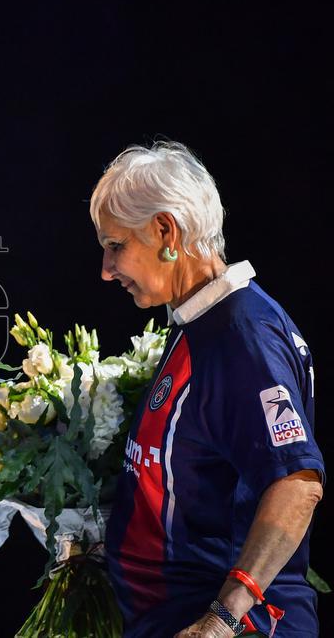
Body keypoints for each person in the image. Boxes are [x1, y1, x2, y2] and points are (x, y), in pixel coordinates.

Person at [90, 142, 325, 637]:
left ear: (165, 231)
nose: (107, 270)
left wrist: (220, 620)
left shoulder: (243, 335)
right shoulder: (199, 323)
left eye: (115, 246)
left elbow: (296, 485)